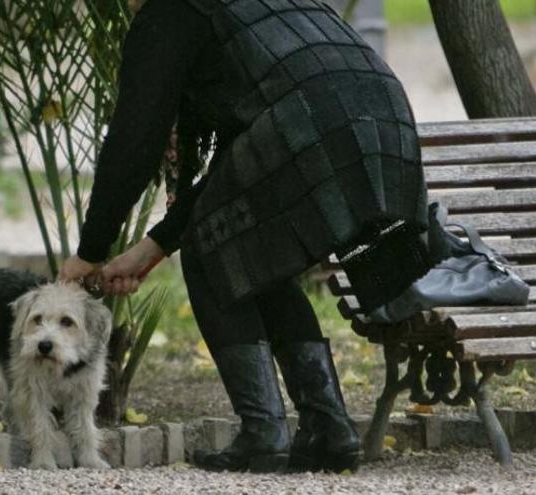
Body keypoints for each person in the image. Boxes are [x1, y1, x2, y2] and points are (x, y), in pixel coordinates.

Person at [61, 0, 438, 473]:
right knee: (256, 252)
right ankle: (329, 427)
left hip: (314, 117)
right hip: (383, 114)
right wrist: (149, 248)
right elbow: (230, 173)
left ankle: (263, 432)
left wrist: (90, 251)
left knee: (209, 249)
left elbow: (135, 140)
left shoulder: (169, 13)